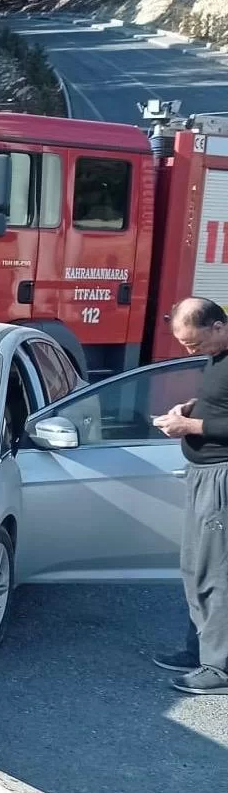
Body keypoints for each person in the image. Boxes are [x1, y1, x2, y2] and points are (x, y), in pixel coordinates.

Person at [152, 297, 228, 696]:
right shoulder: (217, 357)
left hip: (222, 478)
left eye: (194, 345)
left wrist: (191, 424)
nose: (189, 352)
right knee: (194, 566)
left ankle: (220, 667)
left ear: (218, 326)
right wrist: (189, 408)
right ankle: (199, 649)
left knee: (218, 572)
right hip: (202, 474)